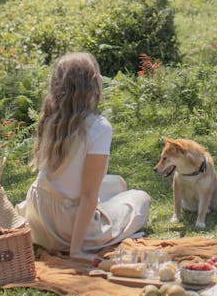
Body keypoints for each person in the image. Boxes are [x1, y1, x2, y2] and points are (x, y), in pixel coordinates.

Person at [16, 51, 151, 256]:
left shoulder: (50, 116)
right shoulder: (98, 127)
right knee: (141, 198)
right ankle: (85, 235)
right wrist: (76, 250)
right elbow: (88, 195)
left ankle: (99, 214)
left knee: (119, 183)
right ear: (95, 83)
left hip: (38, 216)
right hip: (66, 226)